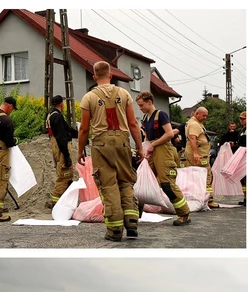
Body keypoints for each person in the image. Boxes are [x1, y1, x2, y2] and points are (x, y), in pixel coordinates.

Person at [77, 61, 144, 242]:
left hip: (100, 143)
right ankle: (131, 223)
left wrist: (80, 150)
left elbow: (83, 129)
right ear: (111, 75)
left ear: (94, 77)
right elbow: (133, 124)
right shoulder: (124, 93)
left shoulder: (88, 97)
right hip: (122, 142)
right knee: (125, 181)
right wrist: (139, 147)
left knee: (108, 185)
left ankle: (114, 230)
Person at [136, 92, 191, 226]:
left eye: (142, 105)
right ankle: (136, 213)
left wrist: (153, 145)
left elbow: (170, 133)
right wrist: (144, 150)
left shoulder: (161, 115)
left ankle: (184, 214)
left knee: (167, 184)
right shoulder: (145, 118)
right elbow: (147, 137)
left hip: (163, 150)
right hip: (151, 150)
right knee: (142, 181)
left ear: (149, 102)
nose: (140, 108)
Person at [46, 95, 79, 209]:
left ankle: (61, 201)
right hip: (61, 147)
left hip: (55, 145)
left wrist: (81, 135)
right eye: (63, 102)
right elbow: (61, 137)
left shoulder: (51, 115)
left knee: (63, 173)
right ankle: (56, 203)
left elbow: (67, 129)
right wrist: (67, 156)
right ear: (61, 104)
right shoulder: (57, 117)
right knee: (64, 174)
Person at [184, 107, 217, 208]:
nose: (205, 117)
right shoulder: (194, 124)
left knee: (195, 176)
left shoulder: (194, 122)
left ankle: (199, 198)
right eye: (204, 115)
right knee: (206, 176)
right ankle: (209, 199)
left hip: (198, 153)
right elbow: (193, 138)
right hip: (200, 155)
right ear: (197, 114)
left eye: (206, 115)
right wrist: (195, 153)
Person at [237, 111, 246, 206]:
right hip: (240, 155)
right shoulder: (242, 130)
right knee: (242, 178)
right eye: (240, 119)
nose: (241, 120)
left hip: (245, 156)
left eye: (243, 119)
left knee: (247, 178)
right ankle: (245, 198)